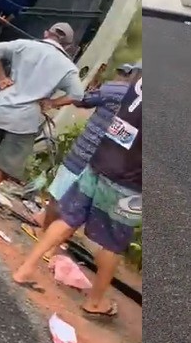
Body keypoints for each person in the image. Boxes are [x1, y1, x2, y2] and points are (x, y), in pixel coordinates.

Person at [13, 75, 142, 318]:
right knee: (113, 242)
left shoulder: (138, 79)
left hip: (99, 161)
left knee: (70, 216)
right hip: (129, 181)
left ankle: (25, 268)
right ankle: (95, 302)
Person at [0, 23, 85, 214]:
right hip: (26, 119)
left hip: (2, 106)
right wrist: (52, 103)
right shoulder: (68, 67)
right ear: (68, 46)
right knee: (6, 163)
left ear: (46, 33)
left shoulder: (24, 45)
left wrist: (2, 77)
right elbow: (77, 95)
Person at [31, 61, 142, 242]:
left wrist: (53, 102)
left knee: (57, 197)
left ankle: (44, 236)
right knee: (77, 208)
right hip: (106, 165)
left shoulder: (115, 90)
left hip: (83, 154)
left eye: (125, 73)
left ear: (132, 75)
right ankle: (54, 239)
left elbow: (82, 100)